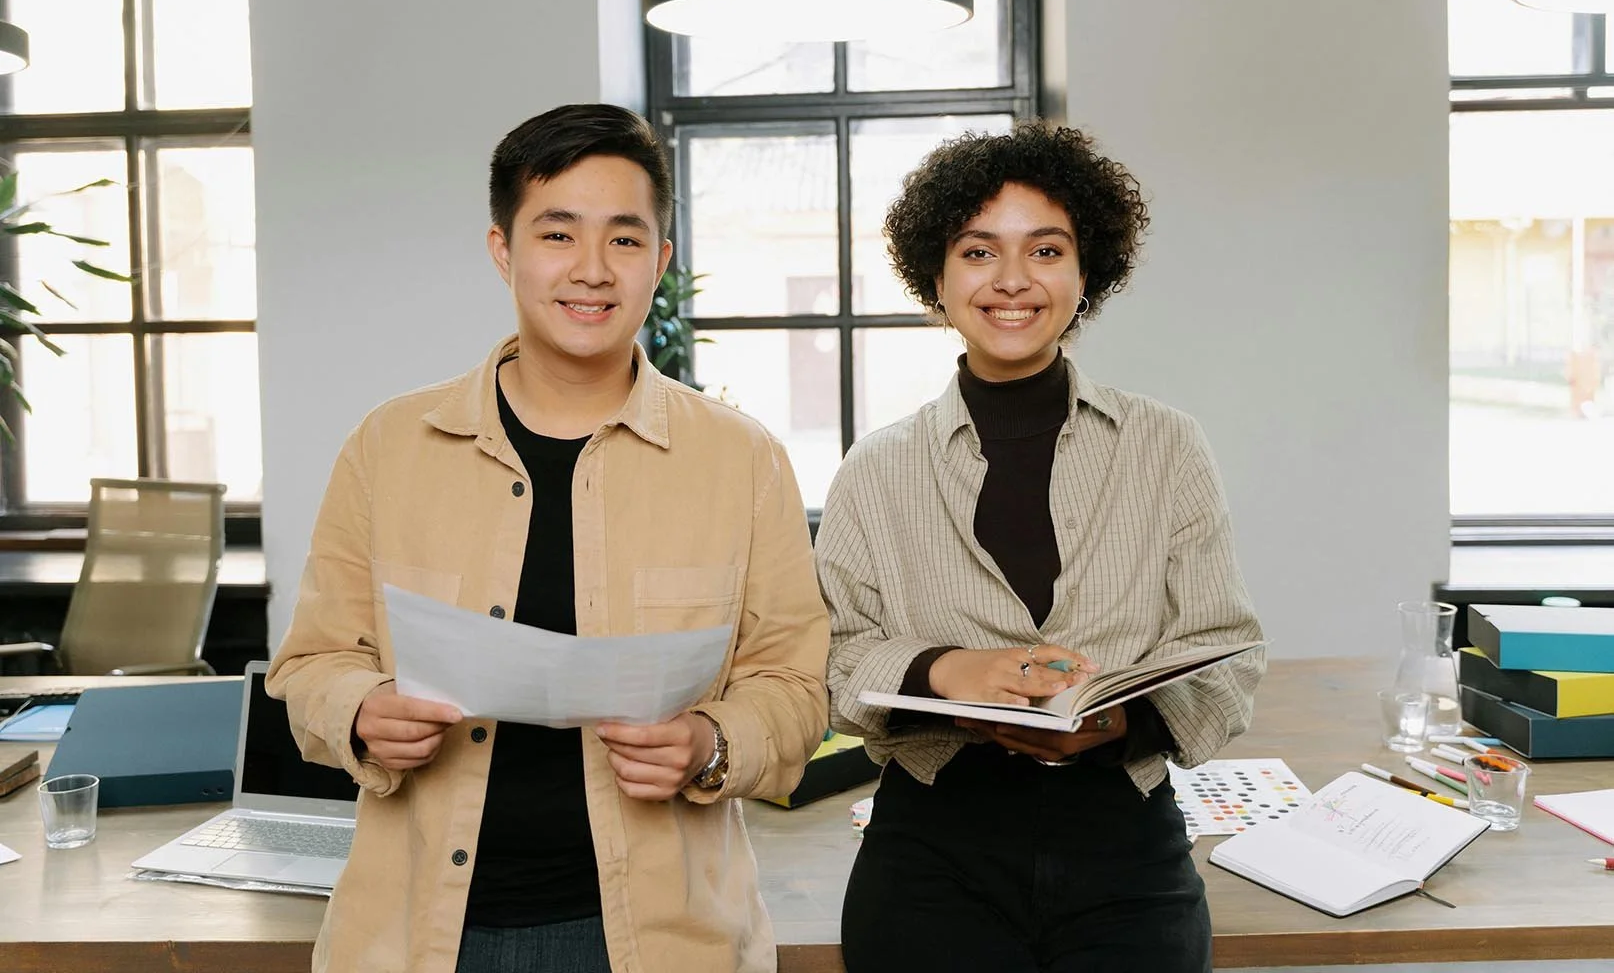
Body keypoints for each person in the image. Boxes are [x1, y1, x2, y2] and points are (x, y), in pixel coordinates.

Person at [267, 103, 830, 973]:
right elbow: (309, 666)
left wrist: (710, 743)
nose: (592, 272)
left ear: (662, 263)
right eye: (558, 235)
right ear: (504, 250)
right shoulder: (389, 444)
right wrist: (361, 712)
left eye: (625, 239)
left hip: (662, 940)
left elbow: (795, 687)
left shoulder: (740, 458)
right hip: (421, 934)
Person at [817, 122, 1266, 973]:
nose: (1013, 281)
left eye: (1046, 250)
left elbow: (1226, 653)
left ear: (1086, 270)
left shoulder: (1166, 445)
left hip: (1127, 849)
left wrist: (1118, 720)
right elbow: (835, 659)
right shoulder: (876, 469)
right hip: (931, 854)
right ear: (937, 278)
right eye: (979, 252)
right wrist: (955, 672)